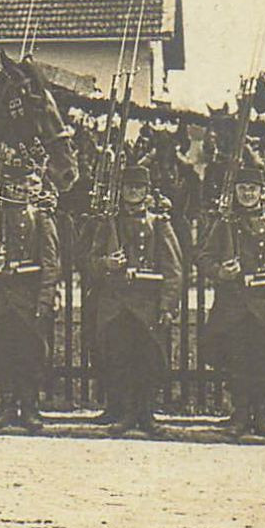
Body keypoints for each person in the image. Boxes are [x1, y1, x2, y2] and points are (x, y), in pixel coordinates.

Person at [198, 167, 265, 437]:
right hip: (233, 305)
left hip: (264, 305)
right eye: (242, 188)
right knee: (236, 361)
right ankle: (240, 413)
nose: (247, 194)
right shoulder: (224, 224)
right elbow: (204, 258)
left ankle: (264, 415)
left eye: (252, 189)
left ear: (262, 193)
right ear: (235, 192)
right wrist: (221, 271)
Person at [87, 164, 182, 434]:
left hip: (146, 303)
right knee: (119, 358)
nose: (133, 192)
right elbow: (90, 263)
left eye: (139, 188)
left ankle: (146, 414)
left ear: (146, 192)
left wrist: (167, 305)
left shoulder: (158, 224)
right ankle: (125, 412)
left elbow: (173, 268)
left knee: (149, 359)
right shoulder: (108, 223)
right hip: (116, 304)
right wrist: (107, 262)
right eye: (129, 187)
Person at [0, 155, 61, 432]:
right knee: (1, 352)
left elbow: (51, 262)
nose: (24, 190)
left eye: (30, 184)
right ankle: (7, 405)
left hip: (28, 297)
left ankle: (29, 407)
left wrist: (46, 298)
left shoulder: (41, 217)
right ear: (8, 186)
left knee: (30, 353)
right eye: (18, 184)